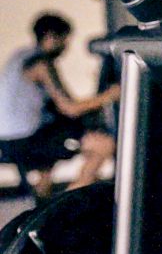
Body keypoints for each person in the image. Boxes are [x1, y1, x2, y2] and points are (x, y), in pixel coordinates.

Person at [0, 14, 119, 196]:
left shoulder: (21, 55)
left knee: (65, 132)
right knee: (103, 144)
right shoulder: (41, 64)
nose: (65, 46)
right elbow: (70, 108)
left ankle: (44, 197)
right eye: (65, 40)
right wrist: (109, 95)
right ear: (51, 37)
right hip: (25, 139)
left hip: (8, 139)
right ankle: (71, 199)